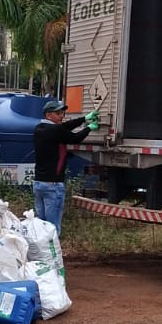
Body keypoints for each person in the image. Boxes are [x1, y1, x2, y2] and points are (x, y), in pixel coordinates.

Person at [32, 99, 97, 234]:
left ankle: (41, 253)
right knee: (52, 228)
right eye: (58, 113)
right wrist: (89, 128)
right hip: (53, 185)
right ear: (48, 115)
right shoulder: (55, 130)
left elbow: (65, 127)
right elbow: (75, 138)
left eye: (62, 113)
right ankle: (53, 254)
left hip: (39, 183)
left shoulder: (39, 129)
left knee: (40, 227)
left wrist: (84, 118)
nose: (62, 116)